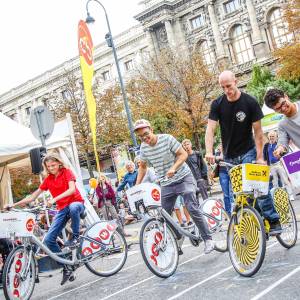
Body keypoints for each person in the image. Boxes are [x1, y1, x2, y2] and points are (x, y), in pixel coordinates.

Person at [205, 70, 281, 234]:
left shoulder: (249, 102)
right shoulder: (217, 104)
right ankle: (258, 222)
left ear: (236, 81)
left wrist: (260, 157)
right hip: (229, 156)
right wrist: (209, 151)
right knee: (242, 194)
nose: (227, 90)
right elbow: (210, 129)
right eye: (223, 87)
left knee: (257, 188)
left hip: (249, 151)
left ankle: (273, 220)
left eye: (229, 86)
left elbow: (259, 133)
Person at [134, 119, 214, 254]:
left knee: (190, 204)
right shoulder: (143, 147)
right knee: (164, 215)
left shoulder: (167, 139)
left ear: (151, 130)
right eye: (141, 137)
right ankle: (178, 236)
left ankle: (208, 239)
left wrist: (173, 168)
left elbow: (183, 154)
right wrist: (136, 186)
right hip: (166, 183)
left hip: (184, 177)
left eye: (146, 134)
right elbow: (142, 167)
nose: (145, 138)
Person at [7, 153, 85, 285]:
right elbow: (32, 197)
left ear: (59, 163)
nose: (51, 168)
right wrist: (12, 205)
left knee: (72, 207)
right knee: (48, 240)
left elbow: (72, 190)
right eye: (48, 167)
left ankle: (75, 237)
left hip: (77, 204)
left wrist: (54, 199)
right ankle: (66, 267)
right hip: (62, 209)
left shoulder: (67, 172)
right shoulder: (48, 179)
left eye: (53, 165)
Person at [264, 88, 300, 156]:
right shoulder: (282, 125)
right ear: (274, 110)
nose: (283, 108)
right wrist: (280, 149)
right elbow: (282, 141)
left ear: (286, 96)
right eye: (278, 108)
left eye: (283, 103)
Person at [214, 143, 233, 215]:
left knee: (232, 193)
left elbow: (231, 160)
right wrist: (222, 152)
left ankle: (234, 210)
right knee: (226, 194)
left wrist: (221, 157)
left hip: (231, 171)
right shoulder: (218, 152)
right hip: (223, 173)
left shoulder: (230, 150)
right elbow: (216, 160)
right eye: (221, 145)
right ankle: (228, 212)